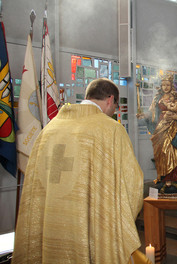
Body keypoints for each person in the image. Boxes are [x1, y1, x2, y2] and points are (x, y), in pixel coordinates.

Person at [13, 78, 151, 264]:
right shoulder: (110, 130)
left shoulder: (49, 129)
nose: (113, 112)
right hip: (89, 226)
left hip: (50, 225)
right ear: (110, 99)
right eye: (115, 106)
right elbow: (132, 184)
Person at [138, 73, 177, 195]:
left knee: (172, 152)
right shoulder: (157, 97)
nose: (166, 87)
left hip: (173, 130)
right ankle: (163, 179)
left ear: (172, 85)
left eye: (168, 84)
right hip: (161, 128)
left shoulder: (175, 97)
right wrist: (144, 116)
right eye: (163, 84)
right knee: (162, 153)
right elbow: (152, 113)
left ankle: (174, 180)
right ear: (161, 85)